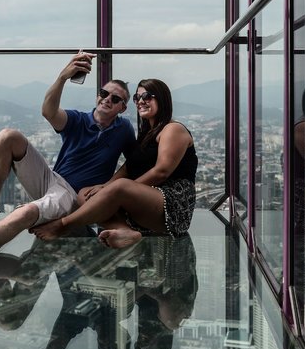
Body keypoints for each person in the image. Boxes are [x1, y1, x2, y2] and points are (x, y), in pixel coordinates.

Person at [0, 52, 135, 269]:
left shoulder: (124, 129)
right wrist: (63, 77)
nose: (107, 99)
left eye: (115, 99)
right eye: (103, 93)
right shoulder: (79, 120)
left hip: (72, 196)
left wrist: (108, 188)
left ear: (123, 108)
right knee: (8, 137)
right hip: (52, 180)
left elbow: (135, 162)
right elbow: (49, 111)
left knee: (26, 213)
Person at [30, 78, 198, 249]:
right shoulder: (146, 134)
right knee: (85, 193)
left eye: (147, 96)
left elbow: (162, 171)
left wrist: (117, 189)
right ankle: (124, 231)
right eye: (137, 97)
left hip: (174, 203)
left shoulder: (172, 129)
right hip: (149, 199)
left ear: (162, 99)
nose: (141, 101)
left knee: (121, 187)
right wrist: (105, 186)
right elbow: (129, 167)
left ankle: (62, 225)